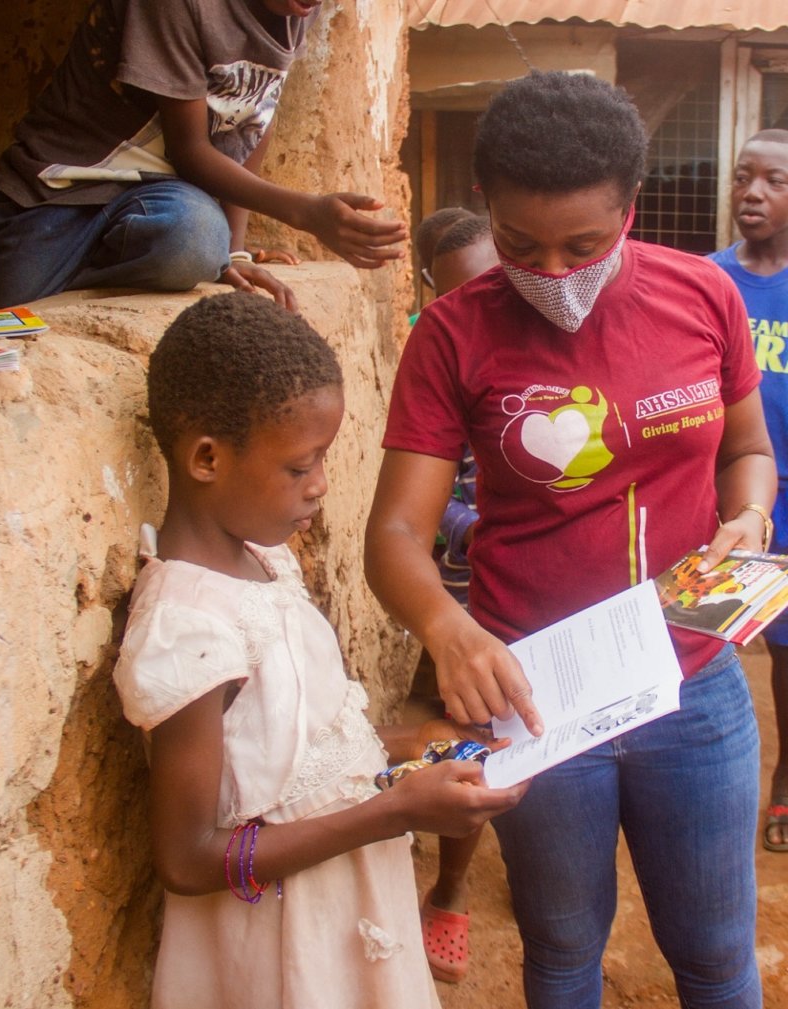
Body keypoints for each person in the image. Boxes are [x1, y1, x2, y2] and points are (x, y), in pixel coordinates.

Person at [364, 69, 775, 1009]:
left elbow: (748, 451)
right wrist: (448, 627)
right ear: (487, 214)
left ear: (632, 209)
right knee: (559, 946)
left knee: (715, 955)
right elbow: (394, 530)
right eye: (519, 245)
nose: (552, 274)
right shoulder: (452, 335)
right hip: (535, 688)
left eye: (583, 245)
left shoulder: (702, 297)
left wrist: (747, 519)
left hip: (694, 679)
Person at [111, 291, 526, 1008]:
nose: (322, 484)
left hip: (338, 908)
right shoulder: (185, 627)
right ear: (207, 457)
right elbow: (186, 856)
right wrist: (395, 810)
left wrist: (414, 742)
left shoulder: (267, 562)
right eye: (301, 465)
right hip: (275, 947)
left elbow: (296, 754)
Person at [0, 0, 406, 313]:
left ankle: (190, 258)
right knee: (27, 312)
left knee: (200, 241)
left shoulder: (298, 8)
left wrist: (233, 251)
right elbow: (188, 151)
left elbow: (255, 115)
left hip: (163, 199)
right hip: (57, 196)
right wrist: (307, 214)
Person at [410, 211, 497, 983]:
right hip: (466, 598)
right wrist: (475, 530)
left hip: (542, 591)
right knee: (467, 739)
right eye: (459, 293)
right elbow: (421, 497)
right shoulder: (432, 353)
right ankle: (451, 889)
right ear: (431, 295)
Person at [709, 128, 788, 853]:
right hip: (723, 498)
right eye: (743, 178)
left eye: (774, 181)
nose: (753, 193)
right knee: (707, 640)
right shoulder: (707, 281)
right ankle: (696, 775)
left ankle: (786, 780)